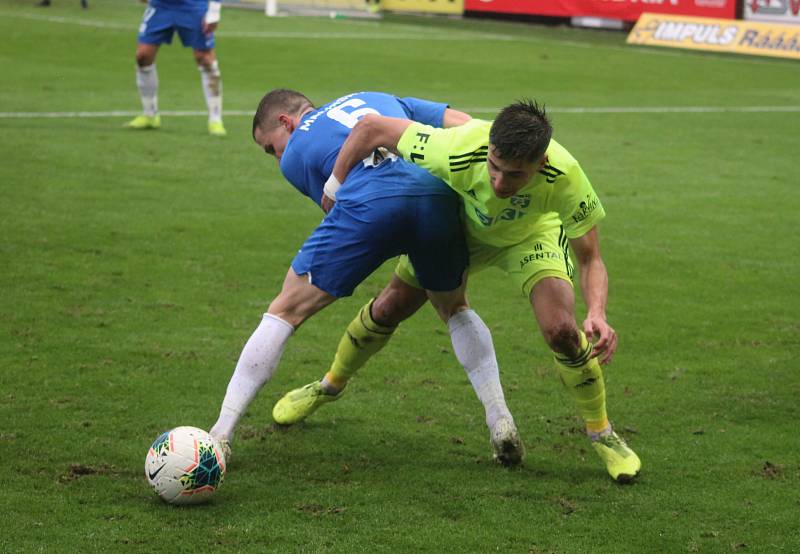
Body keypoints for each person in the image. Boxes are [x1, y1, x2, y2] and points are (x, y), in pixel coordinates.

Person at [275, 99, 642, 483]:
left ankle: (602, 434)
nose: (500, 183)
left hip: (531, 237)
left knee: (562, 332)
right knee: (388, 308)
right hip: (461, 233)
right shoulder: (460, 147)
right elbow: (370, 128)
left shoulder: (566, 176)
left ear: (541, 164)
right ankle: (328, 386)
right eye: (495, 168)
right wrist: (334, 188)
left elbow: (590, 259)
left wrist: (597, 311)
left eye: (515, 176)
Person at [208, 90, 524, 466]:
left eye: (270, 148)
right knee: (454, 307)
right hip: (436, 196)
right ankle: (499, 418)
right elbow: (468, 126)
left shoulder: (295, 154)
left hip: (371, 203)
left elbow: (342, 204)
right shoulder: (379, 96)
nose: (276, 156)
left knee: (285, 309)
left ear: (286, 122)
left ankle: (220, 434)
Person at [125, 0, 226, 136]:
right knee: (143, 56)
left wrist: (214, 10)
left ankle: (215, 119)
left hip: (193, 5)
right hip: (161, 5)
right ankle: (150, 115)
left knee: (205, 59)